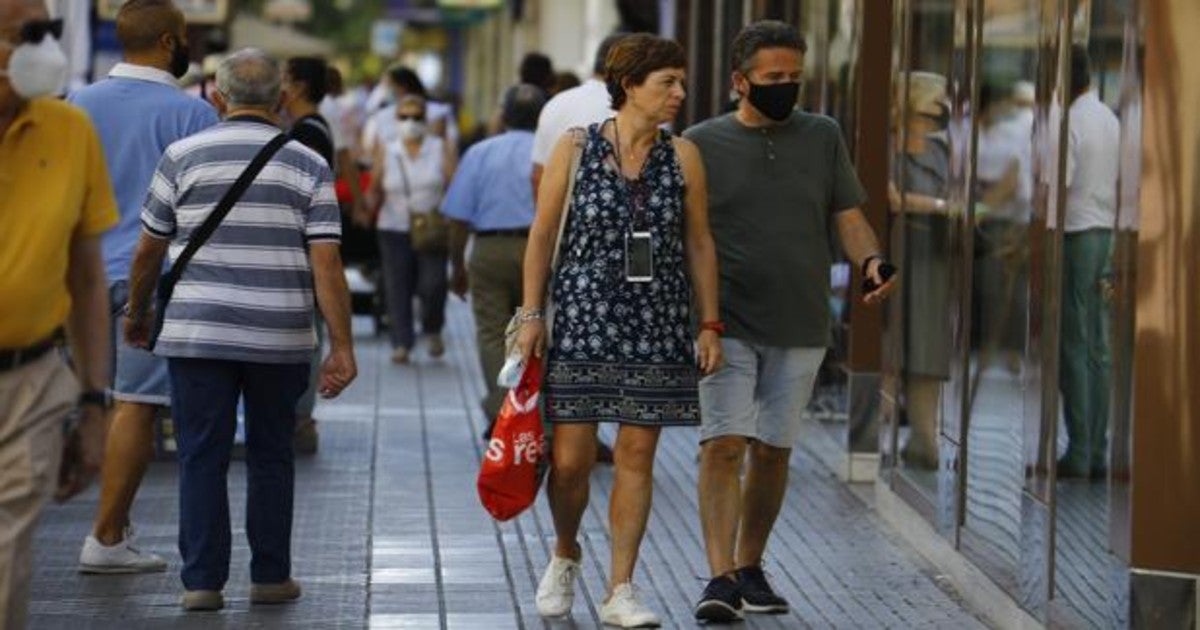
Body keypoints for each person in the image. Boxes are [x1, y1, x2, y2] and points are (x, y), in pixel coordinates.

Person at [124, 48, 357, 611]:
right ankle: (271, 575)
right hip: (279, 337)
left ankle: (202, 582)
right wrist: (342, 347)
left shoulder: (181, 156)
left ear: (216, 97)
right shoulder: (308, 163)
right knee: (272, 453)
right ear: (280, 99)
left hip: (197, 333)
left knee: (200, 454)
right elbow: (326, 263)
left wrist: (137, 313)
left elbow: (150, 248)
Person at [683, 21, 895, 622]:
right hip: (725, 321)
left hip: (801, 320)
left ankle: (750, 564)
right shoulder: (700, 144)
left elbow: (847, 215)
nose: (785, 88)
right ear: (739, 81)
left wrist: (872, 260)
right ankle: (719, 577)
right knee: (724, 444)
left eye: (794, 79)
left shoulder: (822, 136)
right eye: (773, 78)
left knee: (773, 451)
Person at [517, 34, 722, 628]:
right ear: (629, 85)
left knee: (637, 454)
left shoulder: (683, 156)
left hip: (657, 322)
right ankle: (565, 550)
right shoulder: (575, 148)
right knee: (572, 459)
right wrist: (532, 315)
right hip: (582, 318)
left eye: (681, 82)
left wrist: (709, 322)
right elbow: (540, 234)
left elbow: (700, 242)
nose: (679, 94)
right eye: (668, 83)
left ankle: (621, 587)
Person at [67, 0, 218, 573]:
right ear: (165, 43)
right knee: (137, 406)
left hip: (78, 277)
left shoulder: (75, 106)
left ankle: (114, 527)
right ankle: (105, 539)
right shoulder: (192, 116)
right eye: (182, 37)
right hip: (147, 281)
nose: (187, 46)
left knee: (92, 402)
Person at [0, 0, 117, 625]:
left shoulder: (69, 131)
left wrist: (95, 402)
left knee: (7, 555)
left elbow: (87, 274)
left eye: (48, 32)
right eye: (27, 34)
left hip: (32, 377)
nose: (43, 47)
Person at [528, 32, 627, 464]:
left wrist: (551, 229)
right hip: (622, 256)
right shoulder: (645, 109)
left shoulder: (557, 104)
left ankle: (561, 430)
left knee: (560, 341)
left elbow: (537, 177)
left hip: (564, 247)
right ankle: (584, 434)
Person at [443, 83, 547, 425]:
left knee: (492, 332)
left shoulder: (480, 152)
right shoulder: (553, 153)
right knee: (536, 328)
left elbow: (458, 216)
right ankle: (538, 416)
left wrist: (457, 265)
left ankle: (504, 411)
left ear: (503, 115)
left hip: (489, 248)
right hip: (540, 248)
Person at [280, 55, 353, 455]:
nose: (280, 86)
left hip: (306, 251)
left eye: (285, 78)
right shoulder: (311, 127)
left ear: (300, 86)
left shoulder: (308, 133)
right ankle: (299, 417)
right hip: (308, 249)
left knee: (308, 337)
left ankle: (301, 418)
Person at [1057, 45, 1118, 480]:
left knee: (1075, 346)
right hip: (1107, 235)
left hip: (1076, 234)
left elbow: (1058, 186)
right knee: (1099, 348)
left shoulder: (1071, 121)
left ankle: (1078, 451)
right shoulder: (1109, 118)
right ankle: (1097, 449)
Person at [886, 71, 952, 471]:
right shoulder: (888, 145)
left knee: (928, 349)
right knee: (894, 346)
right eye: (935, 100)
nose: (941, 109)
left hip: (935, 256)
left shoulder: (940, 150)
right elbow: (892, 199)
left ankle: (925, 439)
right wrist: (944, 206)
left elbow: (961, 191)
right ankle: (882, 434)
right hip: (899, 251)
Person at [369, 94, 457, 364]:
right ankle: (402, 343)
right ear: (396, 120)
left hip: (431, 227)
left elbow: (454, 185)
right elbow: (375, 186)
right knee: (397, 286)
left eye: (417, 117)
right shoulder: (387, 148)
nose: (410, 122)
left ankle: (432, 327)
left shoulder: (440, 147)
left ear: (426, 119)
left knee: (433, 284)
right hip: (393, 226)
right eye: (404, 116)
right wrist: (364, 208)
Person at [362, 64, 459, 161]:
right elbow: (373, 149)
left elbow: (449, 146)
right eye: (403, 117)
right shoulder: (382, 115)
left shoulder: (439, 112)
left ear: (403, 86)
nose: (384, 91)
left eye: (417, 118)